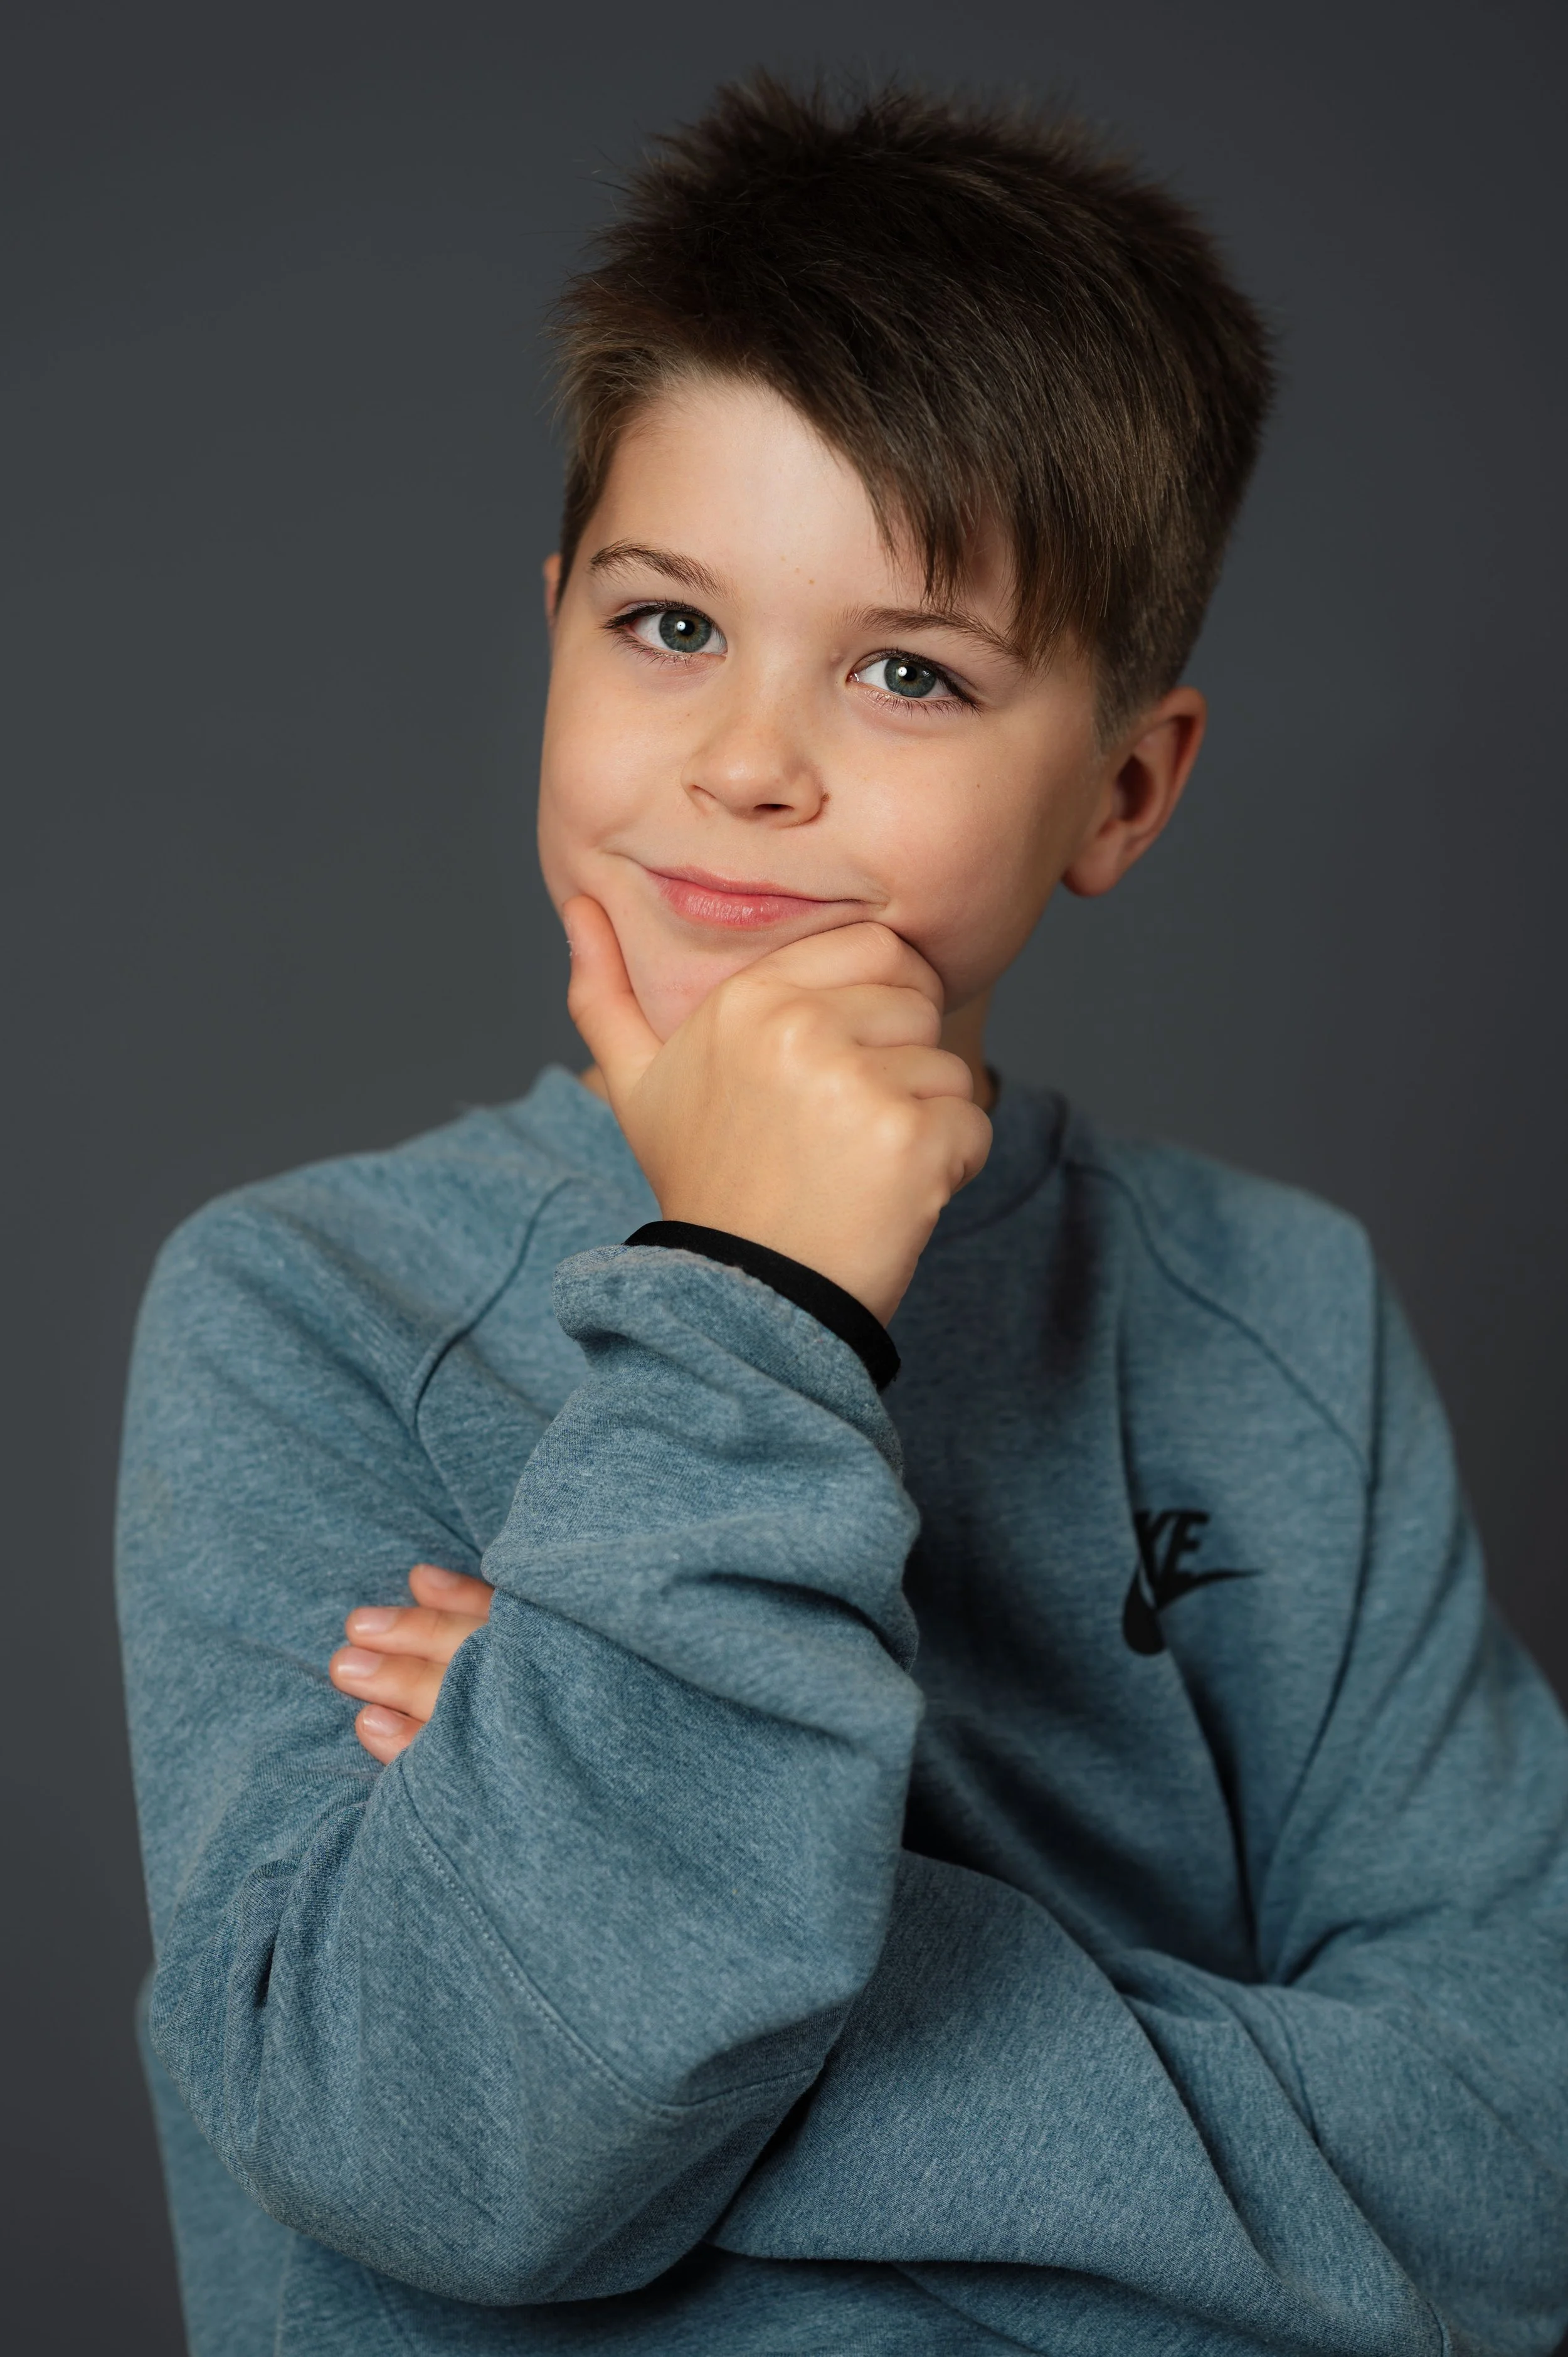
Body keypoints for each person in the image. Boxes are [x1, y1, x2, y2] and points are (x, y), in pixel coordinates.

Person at [116, 75, 1568, 2357]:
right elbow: (443, 2138)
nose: (747, 760)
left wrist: (685, 1876)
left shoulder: (1283, 1312)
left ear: (1122, 785)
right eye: (668, 624)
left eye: (906, 671)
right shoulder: (305, 1308)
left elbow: (1518, 2179)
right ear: (557, 626)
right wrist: (757, 1287)